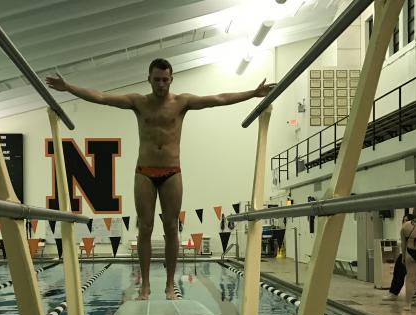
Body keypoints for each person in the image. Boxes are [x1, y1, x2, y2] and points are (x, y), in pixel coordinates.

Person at [46, 58, 273, 300]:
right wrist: (68, 87)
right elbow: (101, 96)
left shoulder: (182, 102)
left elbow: (218, 99)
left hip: (172, 171)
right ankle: (144, 285)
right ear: (149, 79)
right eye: (157, 80)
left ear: (171, 79)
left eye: (165, 80)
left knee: (171, 227)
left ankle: (169, 284)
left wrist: (253, 93)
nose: (161, 84)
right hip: (144, 171)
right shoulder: (138, 102)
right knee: (145, 228)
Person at [384, 213, 415, 301]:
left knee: (401, 274)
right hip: (402, 254)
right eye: (403, 220)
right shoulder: (403, 230)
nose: (404, 222)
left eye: (406, 220)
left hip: (409, 255)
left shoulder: (413, 231)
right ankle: (392, 292)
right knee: (396, 273)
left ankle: (395, 293)